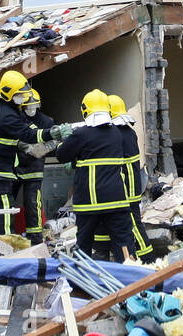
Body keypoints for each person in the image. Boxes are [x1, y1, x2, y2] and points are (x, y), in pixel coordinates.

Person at [0, 70, 57, 238]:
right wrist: (52, 134)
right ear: (10, 94)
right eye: (20, 95)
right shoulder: (6, 115)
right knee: (4, 209)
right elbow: (29, 135)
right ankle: (6, 247)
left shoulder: (9, 108)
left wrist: (47, 132)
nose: (24, 99)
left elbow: (28, 126)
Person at [52, 89, 135, 262]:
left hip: (89, 203)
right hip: (116, 200)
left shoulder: (82, 134)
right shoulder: (117, 134)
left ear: (85, 110)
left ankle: (81, 283)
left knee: (84, 245)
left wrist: (66, 138)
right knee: (124, 242)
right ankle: (132, 281)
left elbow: (61, 155)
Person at [108, 93, 151, 259]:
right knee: (132, 222)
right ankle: (136, 254)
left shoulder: (117, 134)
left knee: (133, 222)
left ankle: (146, 257)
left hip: (126, 188)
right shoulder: (129, 131)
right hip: (132, 184)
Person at [14, 88, 54, 245]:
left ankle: (35, 237)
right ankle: (8, 234)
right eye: (27, 106)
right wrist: (27, 148)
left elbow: (54, 141)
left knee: (32, 202)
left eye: (34, 106)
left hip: (35, 167)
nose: (31, 109)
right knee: (8, 201)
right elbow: (11, 138)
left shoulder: (46, 122)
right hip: (16, 165)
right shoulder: (16, 119)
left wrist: (42, 150)